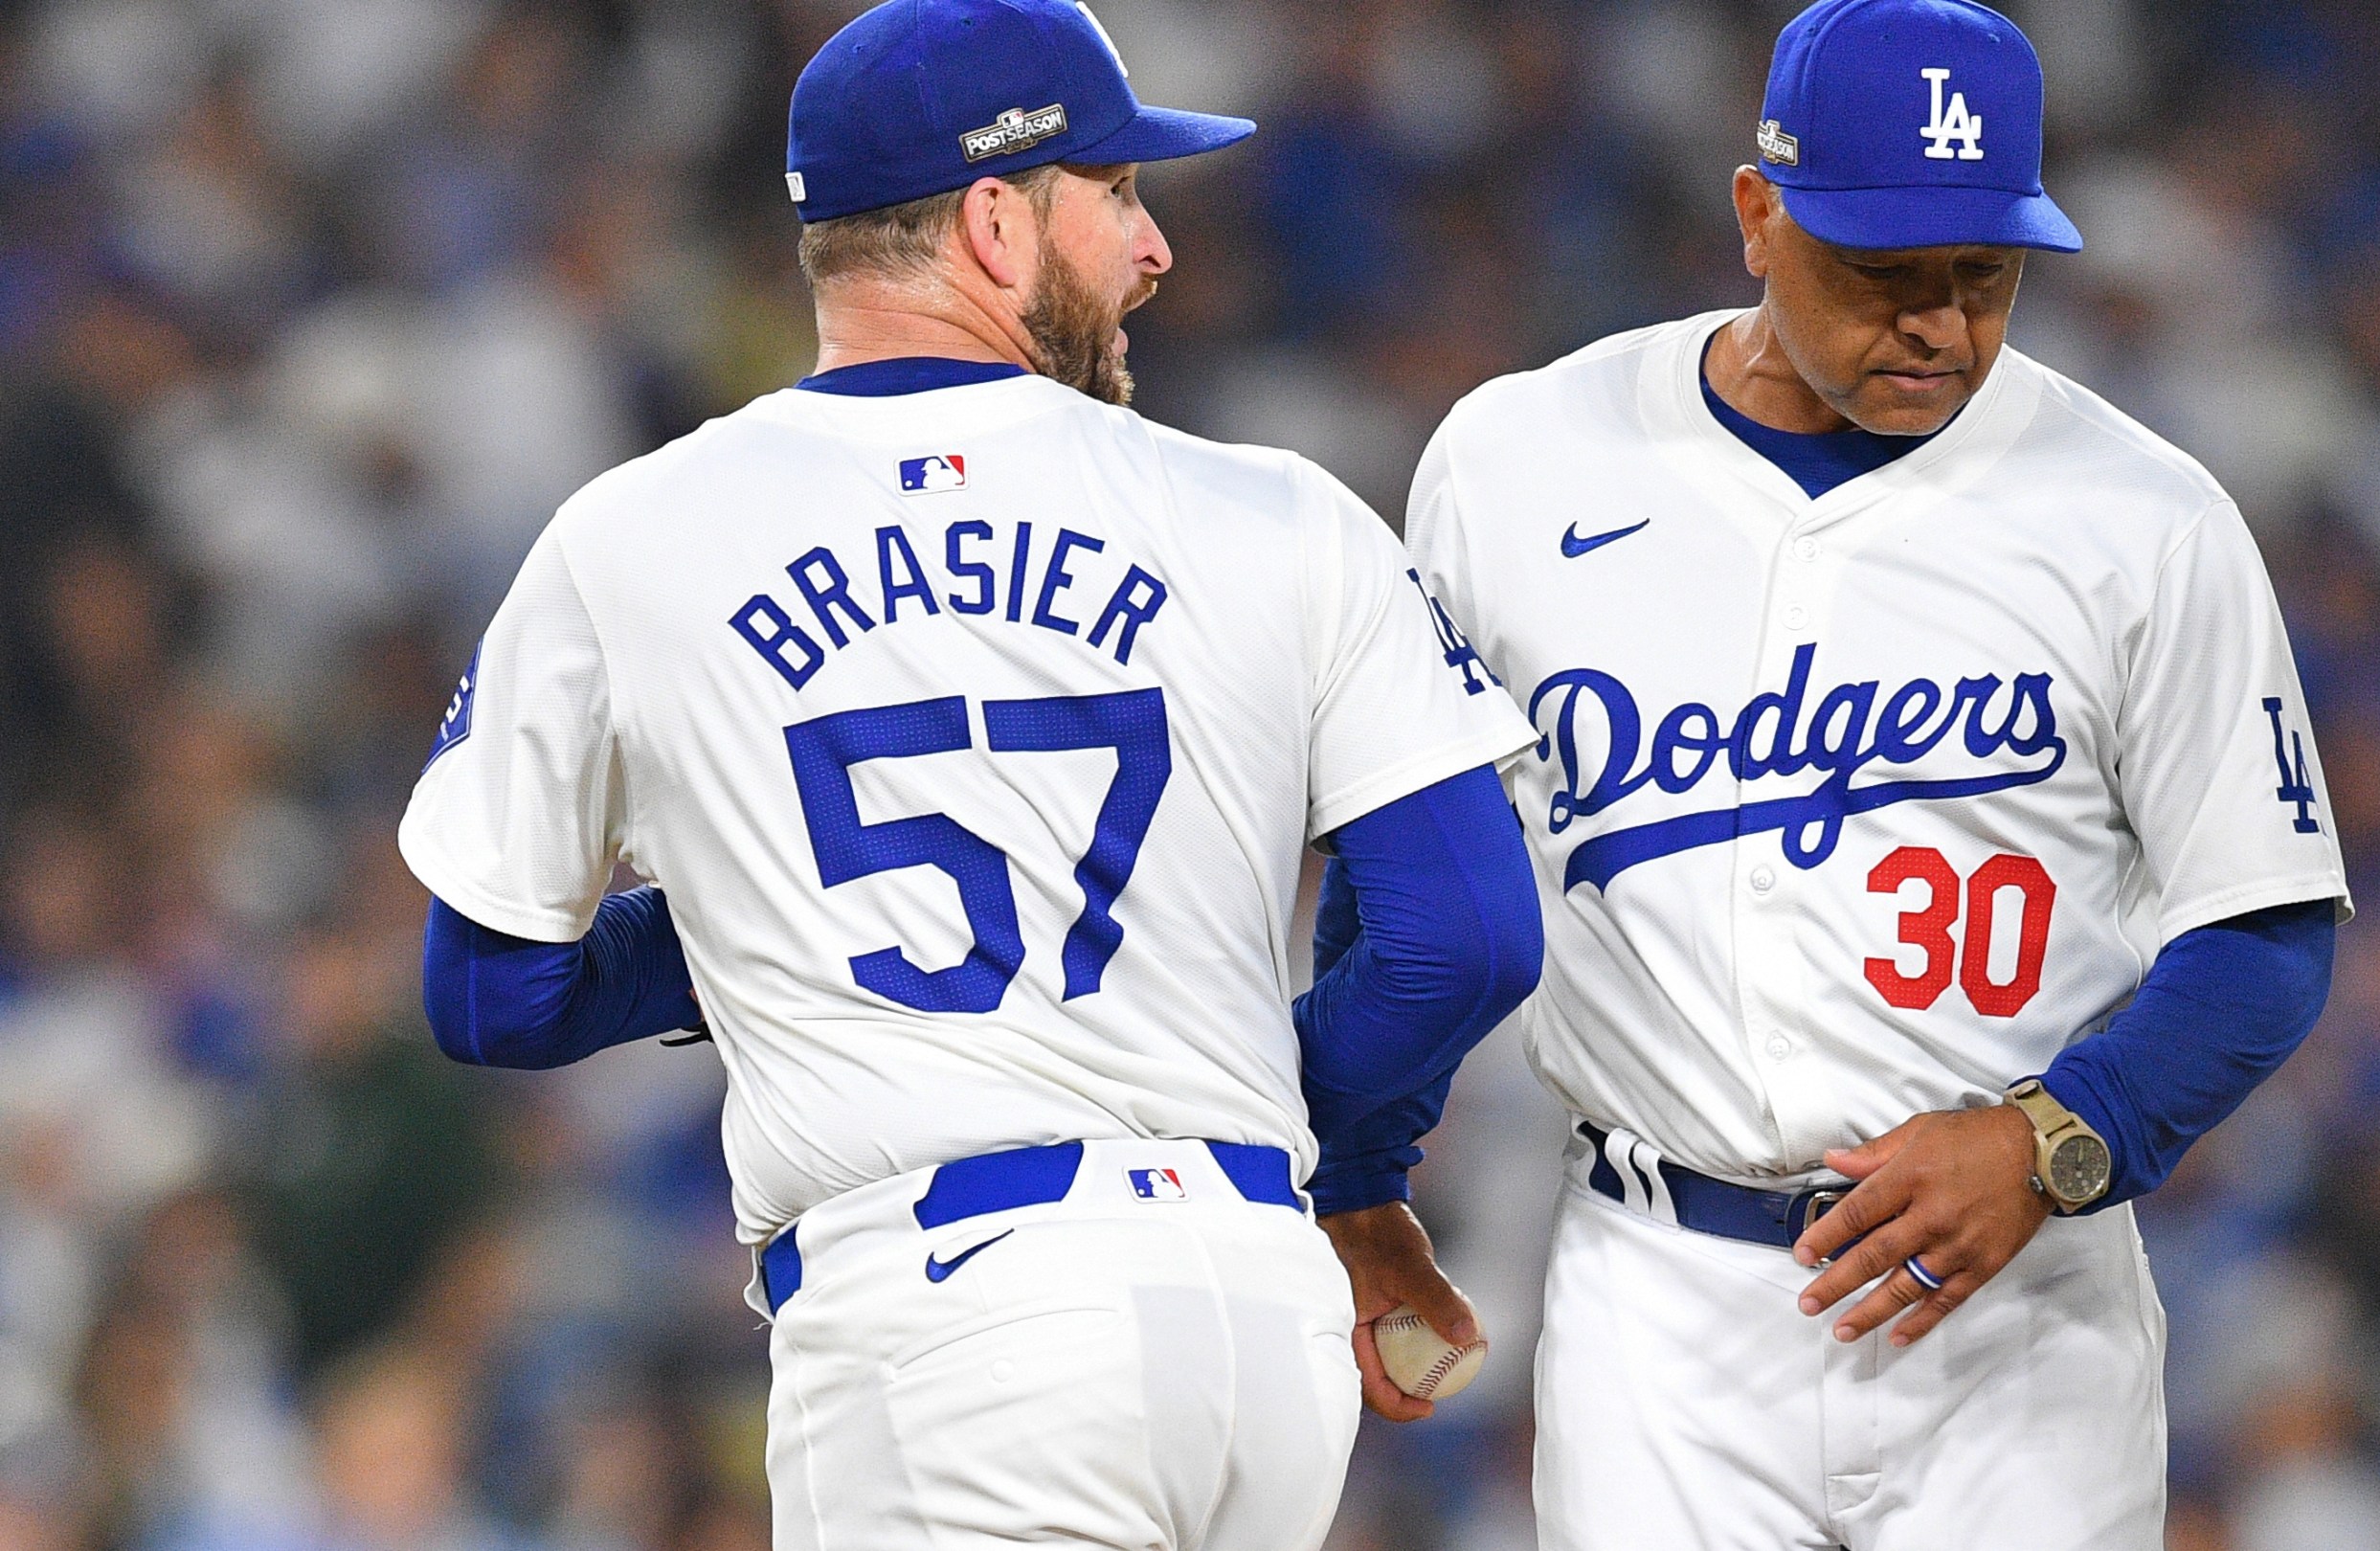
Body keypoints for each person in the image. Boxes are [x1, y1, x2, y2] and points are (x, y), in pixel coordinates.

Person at [394, 3, 1542, 1547]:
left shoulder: (631, 540)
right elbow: (1462, 935)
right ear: (998, 223)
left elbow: (494, 991)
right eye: (1119, 195)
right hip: (1259, 1324)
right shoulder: (1281, 514)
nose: (1157, 251)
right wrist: (1344, 1168)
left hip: (946, 1325)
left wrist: (765, 911)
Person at [1340, 0, 2353, 1544]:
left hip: (2022, 1307)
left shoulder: (2148, 517)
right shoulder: (1516, 461)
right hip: (1662, 1299)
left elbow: (2268, 928)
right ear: (1758, 214)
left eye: (1985, 276)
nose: (1941, 324)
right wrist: (1362, 1168)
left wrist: (2055, 1138)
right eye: (1886, 274)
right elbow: (1404, 868)